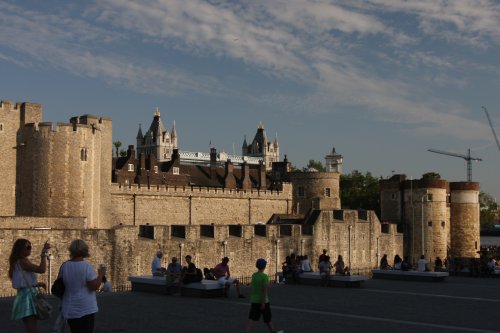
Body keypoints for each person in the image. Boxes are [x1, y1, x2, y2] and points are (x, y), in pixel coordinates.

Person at [60, 239, 106, 333]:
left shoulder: (64, 266)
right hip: (85, 308)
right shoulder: (86, 267)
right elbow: (94, 286)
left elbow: (60, 283)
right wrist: (101, 274)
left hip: (69, 307)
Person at [9, 238, 51, 333]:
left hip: (25, 295)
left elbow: (24, 280)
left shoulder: (20, 261)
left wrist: (38, 284)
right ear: (20, 249)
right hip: (27, 296)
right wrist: (43, 254)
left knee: (31, 325)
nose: (30, 249)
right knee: (31, 327)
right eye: (27, 247)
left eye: (30, 247)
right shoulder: (22, 262)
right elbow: (41, 269)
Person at [244, 258, 283, 333]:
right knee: (268, 318)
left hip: (254, 300)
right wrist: (263, 302)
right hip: (263, 301)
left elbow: (253, 285)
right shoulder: (264, 277)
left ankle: (247, 331)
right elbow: (264, 290)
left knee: (251, 318)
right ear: (264, 266)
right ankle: (273, 331)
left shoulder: (254, 275)